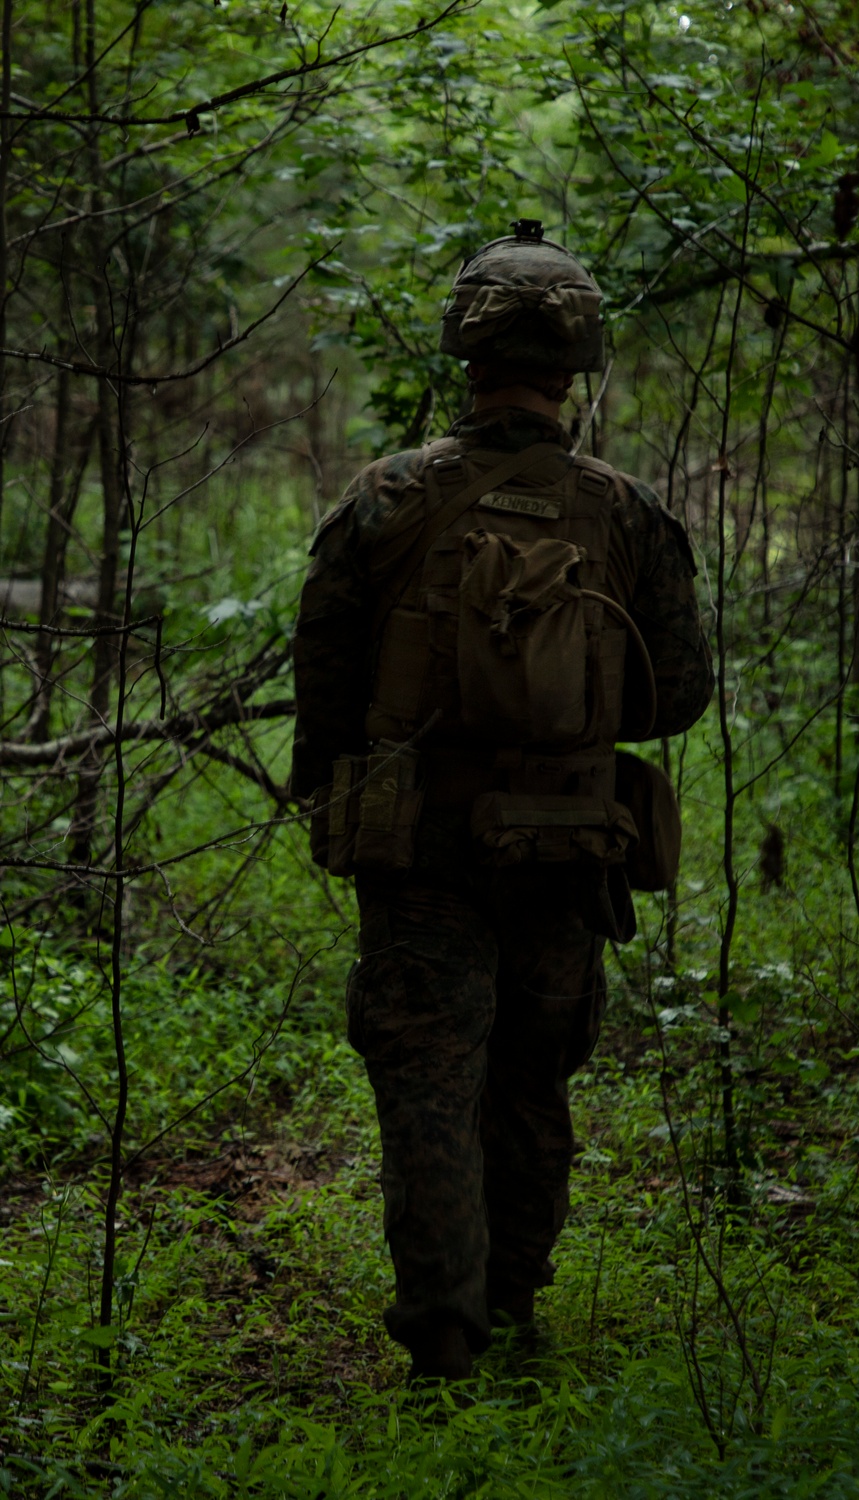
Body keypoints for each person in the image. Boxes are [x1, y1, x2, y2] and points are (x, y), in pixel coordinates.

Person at [291, 220, 714, 1382]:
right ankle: (516, 1307)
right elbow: (676, 694)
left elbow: (323, 684)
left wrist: (341, 789)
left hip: (418, 844)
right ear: (577, 361)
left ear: (462, 352)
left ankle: (444, 1329)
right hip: (567, 842)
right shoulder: (624, 512)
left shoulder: (386, 498)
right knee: (531, 1079)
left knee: (430, 1080)